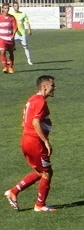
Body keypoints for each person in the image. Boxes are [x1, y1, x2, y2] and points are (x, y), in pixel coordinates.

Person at [4, 75, 58, 212]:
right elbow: (35, 122)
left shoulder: (32, 99)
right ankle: (39, 205)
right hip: (35, 142)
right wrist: (45, 141)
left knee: (41, 171)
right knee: (46, 172)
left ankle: (13, 192)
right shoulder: (40, 101)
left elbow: (25, 122)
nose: (55, 88)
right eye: (52, 86)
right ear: (44, 86)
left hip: (27, 140)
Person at [10, 1, 33, 65]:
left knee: (25, 47)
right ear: (13, 7)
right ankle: (11, 60)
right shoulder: (11, 14)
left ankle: (29, 60)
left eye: (17, 6)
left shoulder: (23, 14)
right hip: (14, 34)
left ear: (19, 6)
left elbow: (27, 22)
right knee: (11, 48)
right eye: (15, 6)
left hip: (22, 34)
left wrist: (29, 29)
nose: (16, 7)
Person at [0, 2, 19, 73]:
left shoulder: (12, 17)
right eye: (5, 8)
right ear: (2, 9)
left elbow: (15, 27)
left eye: (8, 8)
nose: (7, 10)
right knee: (2, 52)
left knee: (11, 53)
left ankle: (11, 67)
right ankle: (5, 67)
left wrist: (13, 35)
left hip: (10, 38)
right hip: (2, 38)